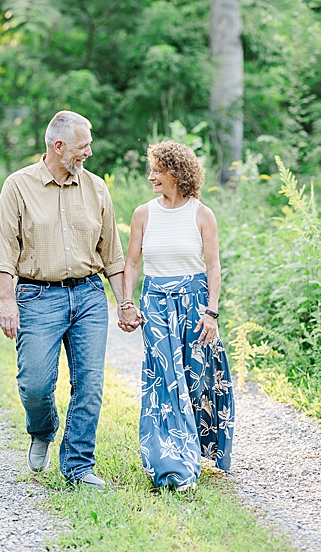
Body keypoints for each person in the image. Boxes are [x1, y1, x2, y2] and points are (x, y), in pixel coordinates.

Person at [0, 110, 126, 491]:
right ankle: (42, 429)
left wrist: (124, 302)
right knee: (35, 383)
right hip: (37, 296)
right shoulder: (17, 186)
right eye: (83, 146)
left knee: (90, 385)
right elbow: (5, 251)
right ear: (59, 146)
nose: (89, 152)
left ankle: (78, 466)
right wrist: (7, 302)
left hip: (88, 296)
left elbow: (112, 253)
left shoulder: (97, 188)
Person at [118, 140, 234, 491]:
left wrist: (212, 312)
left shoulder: (202, 214)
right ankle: (172, 465)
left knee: (196, 380)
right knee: (163, 383)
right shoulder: (143, 213)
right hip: (156, 304)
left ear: (176, 173)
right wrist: (127, 301)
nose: (151, 176)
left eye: (157, 170)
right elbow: (132, 263)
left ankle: (196, 449)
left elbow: (213, 267)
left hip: (195, 304)